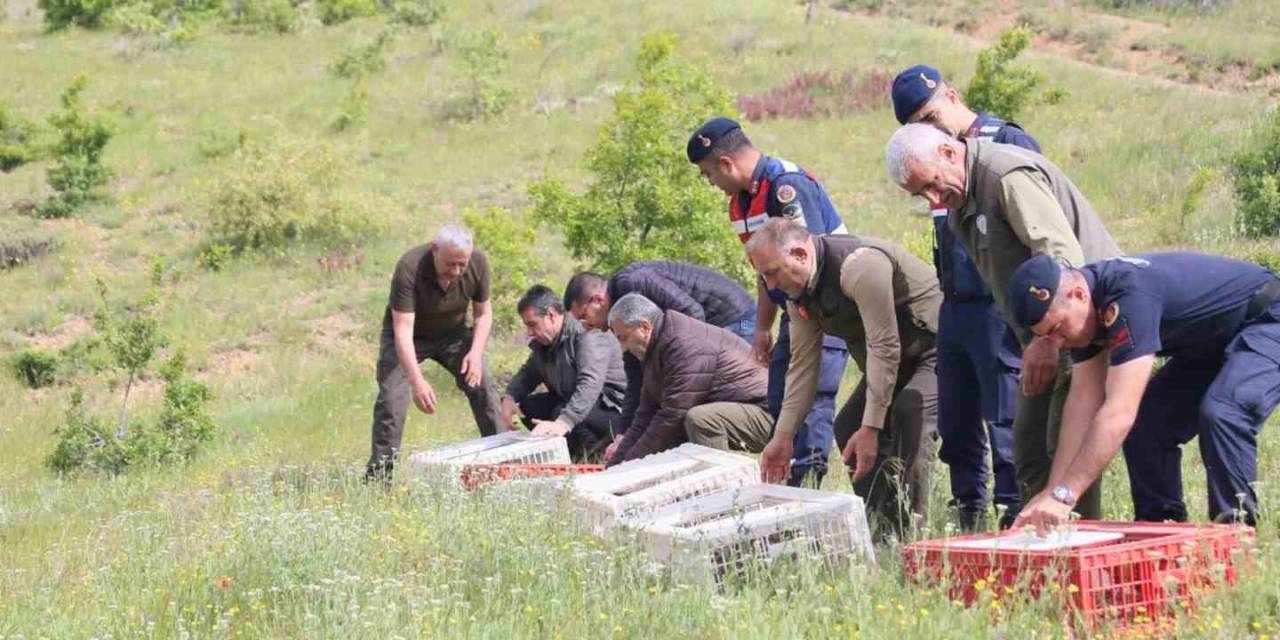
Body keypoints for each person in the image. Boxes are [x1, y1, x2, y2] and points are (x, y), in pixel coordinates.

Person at [885, 122, 1122, 520]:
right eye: (920, 194)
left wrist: (1046, 342)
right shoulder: (961, 203)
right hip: (1044, 334)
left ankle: (1082, 550)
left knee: (1064, 446)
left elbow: (1063, 260)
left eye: (931, 184)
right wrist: (1032, 343)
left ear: (948, 153)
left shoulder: (1004, 177)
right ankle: (1042, 554)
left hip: (1084, 324)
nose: (932, 198)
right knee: (1027, 450)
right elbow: (1002, 280)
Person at [1007, 254, 1280, 531]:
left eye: (1056, 329)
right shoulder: (1085, 313)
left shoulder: (1127, 298)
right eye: (1046, 336)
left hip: (1269, 318)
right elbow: (1083, 403)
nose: (1057, 343)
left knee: (1224, 413)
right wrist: (1053, 489)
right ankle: (1160, 532)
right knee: (1148, 424)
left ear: (1077, 294)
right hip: (1213, 339)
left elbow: (1119, 412)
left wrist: (1065, 496)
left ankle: (1238, 538)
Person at [890, 64, 1043, 530]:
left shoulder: (1005, 141)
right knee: (956, 424)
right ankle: (969, 517)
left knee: (1005, 419)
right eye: (918, 124)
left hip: (1001, 305)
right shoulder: (932, 160)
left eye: (932, 115)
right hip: (955, 304)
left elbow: (1037, 231)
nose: (929, 128)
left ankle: (1014, 515)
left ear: (953, 97)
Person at [747, 219, 940, 538]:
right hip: (893, 362)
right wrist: (783, 437)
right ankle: (883, 532)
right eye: (763, 276)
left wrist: (873, 426)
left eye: (772, 273)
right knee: (848, 426)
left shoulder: (859, 266)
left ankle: (914, 537)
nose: (770, 286)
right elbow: (803, 366)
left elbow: (885, 346)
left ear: (798, 254)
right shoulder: (799, 292)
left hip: (935, 349)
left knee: (910, 413)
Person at [688, 116, 850, 487]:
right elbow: (766, 272)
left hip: (826, 309)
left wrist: (803, 323)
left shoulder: (785, 187)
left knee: (812, 401)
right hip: (793, 313)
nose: (711, 183)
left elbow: (810, 263)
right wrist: (762, 327)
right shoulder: (740, 204)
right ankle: (787, 482)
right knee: (781, 400)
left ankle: (808, 488)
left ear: (726, 163)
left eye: (709, 174)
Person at [563, 261, 757, 458]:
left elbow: (693, 318)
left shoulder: (633, 283)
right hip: (707, 326)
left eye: (583, 317)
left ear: (597, 300)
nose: (585, 326)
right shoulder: (626, 323)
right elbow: (636, 380)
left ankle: (724, 461)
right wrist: (623, 435)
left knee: (694, 400)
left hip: (734, 316)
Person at [367, 224, 503, 479]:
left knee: (483, 384)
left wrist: (475, 353)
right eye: (450, 264)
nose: (457, 271)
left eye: (462, 264)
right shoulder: (410, 267)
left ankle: (504, 465)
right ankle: (378, 480)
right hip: (410, 337)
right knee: (392, 402)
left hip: (453, 334)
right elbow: (403, 329)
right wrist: (417, 380)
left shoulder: (478, 263)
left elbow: (483, 314)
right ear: (434, 250)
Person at [605, 293, 773, 465]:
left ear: (645, 327)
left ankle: (722, 488)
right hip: (741, 410)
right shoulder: (657, 346)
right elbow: (645, 414)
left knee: (701, 420)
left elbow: (673, 416)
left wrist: (629, 466)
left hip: (768, 414)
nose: (622, 348)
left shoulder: (684, 344)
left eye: (623, 338)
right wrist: (614, 467)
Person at [500, 285, 627, 461]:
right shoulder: (545, 344)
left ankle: (596, 457)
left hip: (614, 410)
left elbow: (589, 385)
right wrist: (509, 397)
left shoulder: (587, 336)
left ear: (551, 315)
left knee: (561, 412)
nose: (529, 332)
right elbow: (529, 373)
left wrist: (563, 422)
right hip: (582, 407)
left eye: (532, 324)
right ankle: (568, 453)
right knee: (529, 408)